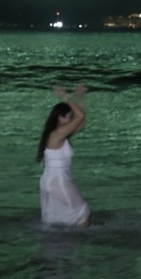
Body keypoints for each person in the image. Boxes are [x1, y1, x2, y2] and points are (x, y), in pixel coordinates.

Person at [37, 85, 90, 227]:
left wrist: (79, 96)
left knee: (54, 217)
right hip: (58, 181)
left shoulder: (58, 134)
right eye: (69, 117)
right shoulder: (57, 134)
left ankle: (54, 245)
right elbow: (81, 116)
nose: (72, 119)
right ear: (60, 118)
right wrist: (65, 96)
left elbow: (81, 123)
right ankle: (85, 244)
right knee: (82, 213)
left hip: (53, 180)